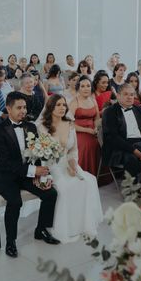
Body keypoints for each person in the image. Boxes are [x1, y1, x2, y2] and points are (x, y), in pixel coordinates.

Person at [0, 92, 59, 258]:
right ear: (8, 108)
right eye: (19, 108)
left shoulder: (30, 127)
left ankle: (41, 230)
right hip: (4, 176)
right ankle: (10, 241)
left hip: (26, 174)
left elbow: (36, 154)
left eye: (25, 107)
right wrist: (33, 172)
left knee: (51, 193)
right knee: (15, 201)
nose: (23, 111)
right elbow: (4, 162)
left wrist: (42, 176)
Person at [37, 95, 103, 243]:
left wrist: (73, 166)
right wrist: (57, 168)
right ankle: (65, 226)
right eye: (58, 105)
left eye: (64, 105)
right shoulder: (42, 126)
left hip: (68, 162)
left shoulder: (70, 124)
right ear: (50, 108)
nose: (62, 108)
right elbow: (43, 155)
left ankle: (80, 224)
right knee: (65, 187)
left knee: (88, 181)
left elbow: (73, 151)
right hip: (51, 165)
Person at [102, 84, 141, 182]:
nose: (129, 97)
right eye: (126, 94)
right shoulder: (110, 112)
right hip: (119, 147)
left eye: (132, 94)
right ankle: (132, 191)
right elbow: (113, 137)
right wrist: (134, 150)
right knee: (131, 159)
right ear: (118, 95)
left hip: (140, 144)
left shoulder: (138, 110)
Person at [69, 76, 100, 176]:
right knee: (86, 144)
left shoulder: (93, 100)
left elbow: (97, 118)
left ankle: (98, 174)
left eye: (88, 86)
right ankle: (83, 174)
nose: (86, 88)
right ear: (78, 88)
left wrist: (96, 127)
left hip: (93, 131)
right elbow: (69, 123)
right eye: (83, 86)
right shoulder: (74, 102)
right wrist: (87, 130)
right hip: (78, 132)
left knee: (100, 143)